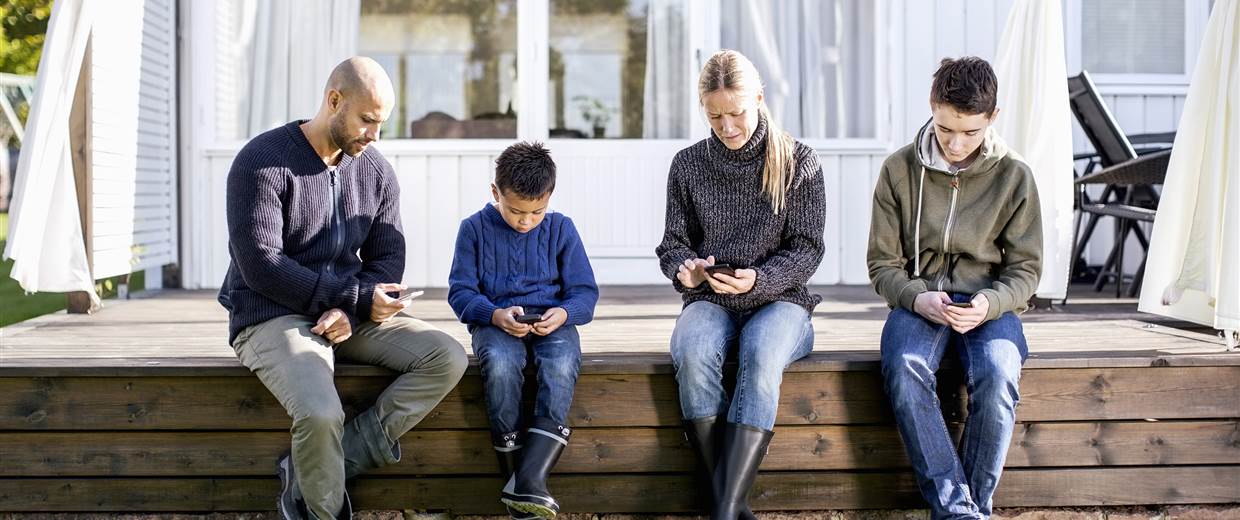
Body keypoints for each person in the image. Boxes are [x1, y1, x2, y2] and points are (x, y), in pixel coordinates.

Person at [218, 57, 468, 520]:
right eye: (367, 120)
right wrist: (348, 300)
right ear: (334, 100)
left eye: (381, 123)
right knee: (319, 413)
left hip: (344, 313)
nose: (374, 135)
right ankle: (324, 511)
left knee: (446, 357)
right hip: (271, 314)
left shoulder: (375, 171)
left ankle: (315, 467)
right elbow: (261, 266)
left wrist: (352, 314)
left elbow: (387, 258)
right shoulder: (262, 161)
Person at [867, 56, 1042, 519]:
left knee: (999, 373)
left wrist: (990, 303)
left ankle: (968, 510)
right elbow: (882, 265)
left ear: (993, 119)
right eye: (946, 129)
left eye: (971, 132)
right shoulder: (898, 170)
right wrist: (914, 297)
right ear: (932, 107)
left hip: (990, 306)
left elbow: (1026, 271)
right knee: (904, 369)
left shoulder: (1015, 176)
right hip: (919, 301)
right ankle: (960, 511)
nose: (956, 143)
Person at [655, 49, 825, 520]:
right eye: (715, 116)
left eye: (737, 113)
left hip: (782, 301)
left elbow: (809, 248)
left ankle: (723, 507)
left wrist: (761, 278)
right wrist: (685, 269)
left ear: (759, 99)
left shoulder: (799, 161)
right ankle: (730, 505)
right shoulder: (687, 165)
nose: (727, 127)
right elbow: (672, 244)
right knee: (691, 352)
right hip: (710, 297)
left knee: (760, 354)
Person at [448, 141, 599, 519]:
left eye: (537, 211)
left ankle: (528, 479)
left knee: (561, 364)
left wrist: (564, 314)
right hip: (495, 321)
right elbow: (461, 291)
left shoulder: (562, 228)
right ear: (495, 192)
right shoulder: (473, 229)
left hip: (553, 321)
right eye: (516, 211)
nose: (526, 221)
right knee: (499, 364)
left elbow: (584, 293)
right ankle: (520, 480)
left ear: (549, 198)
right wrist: (493, 313)